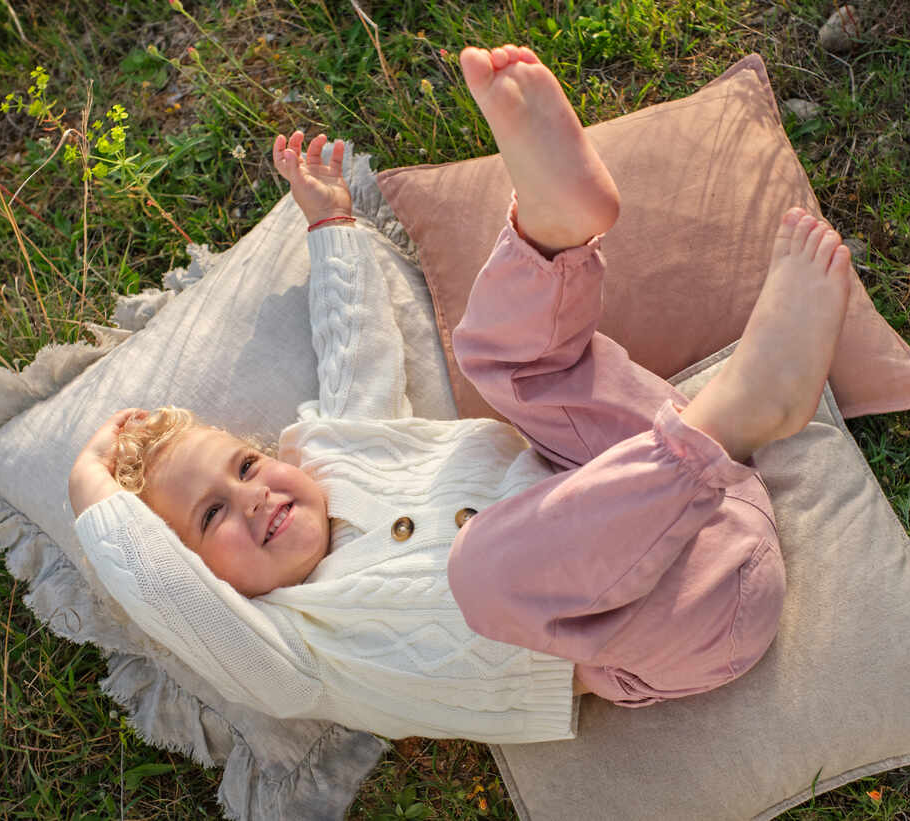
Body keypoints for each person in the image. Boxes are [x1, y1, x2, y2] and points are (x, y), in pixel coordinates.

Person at [69, 45, 851, 742]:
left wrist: (333, 225)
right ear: (202, 577)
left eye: (243, 465)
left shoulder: (333, 449)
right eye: (211, 516)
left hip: (653, 475)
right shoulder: (280, 648)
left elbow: (356, 350)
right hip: (680, 615)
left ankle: (556, 231)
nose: (252, 498)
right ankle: (737, 412)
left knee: (500, 362)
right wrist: (90, 486)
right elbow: (159, 590)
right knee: (481, 571)